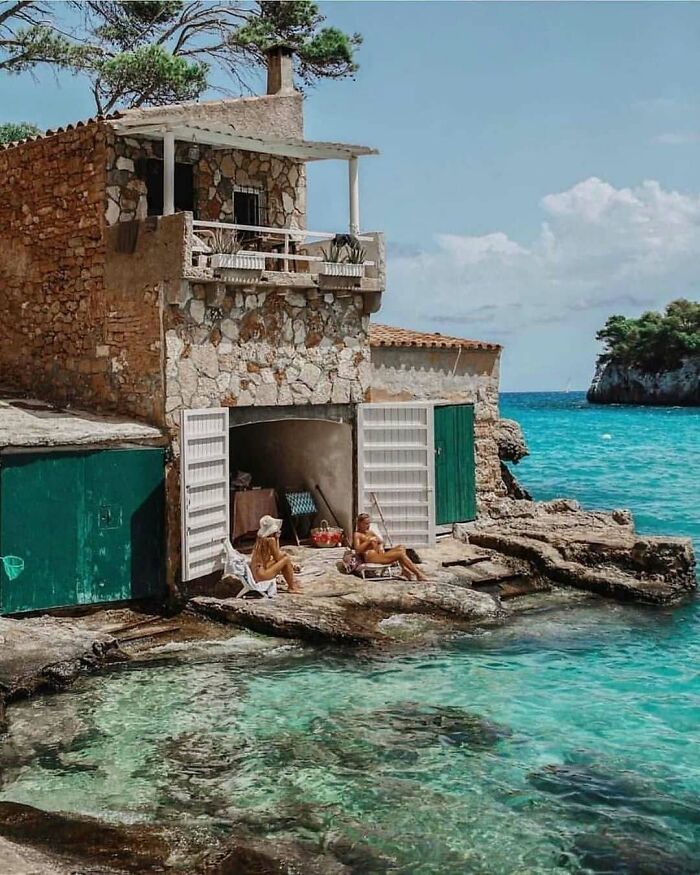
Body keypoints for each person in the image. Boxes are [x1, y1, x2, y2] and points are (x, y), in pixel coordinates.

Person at [352, 513, 428, 582]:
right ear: (359, 523)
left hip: (379, 555)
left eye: (368, 523)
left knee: (401, 547)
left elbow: (382, 542)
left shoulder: (370, 532)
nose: (368, 526)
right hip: (371, 558)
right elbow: (357, 549)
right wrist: (368, 541)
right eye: (365, 524)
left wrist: (380, 544)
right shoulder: (357, 535)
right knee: (400, 554)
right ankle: (418, 574)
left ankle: (405, 570)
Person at [250, 515, 303, 594]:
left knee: (284, 556)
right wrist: (277, 539)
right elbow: (277, 556)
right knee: (286, 559)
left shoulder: (260, 539)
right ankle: (291, 586)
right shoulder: (271, 540)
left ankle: (292, 580)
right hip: (261, 575)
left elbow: (275, 556)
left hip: (256, 573)